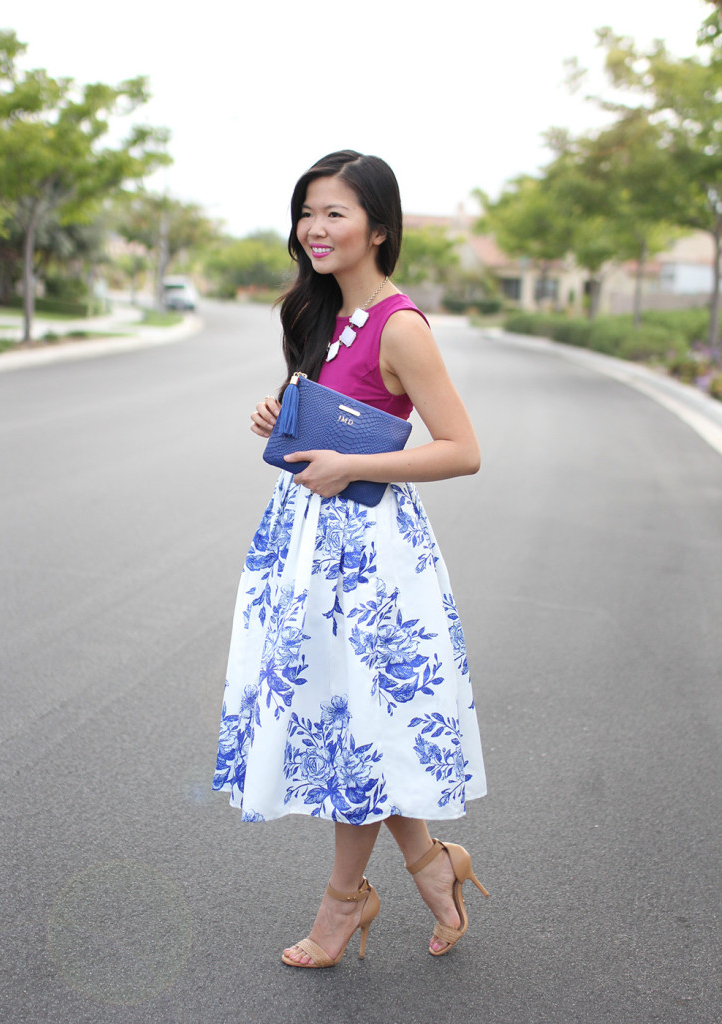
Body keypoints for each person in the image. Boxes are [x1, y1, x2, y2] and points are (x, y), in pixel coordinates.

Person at [213, 150, 488, 968]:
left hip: (368, 559)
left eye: (333, 212)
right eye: (306, 211)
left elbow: (462, 451)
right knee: (350, 721)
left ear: (378, 227)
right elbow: (332, 411)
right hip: (303, 540)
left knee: (356, 728)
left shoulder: (401, 325)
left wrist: (353, 466)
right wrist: (280, 415)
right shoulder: (318, 311)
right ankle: (430, 865)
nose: (314, 228)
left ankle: (342, 907)